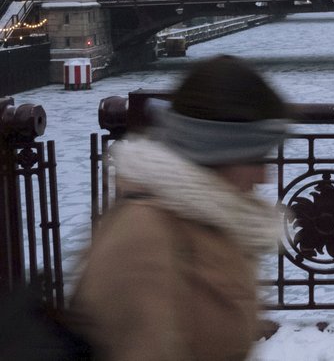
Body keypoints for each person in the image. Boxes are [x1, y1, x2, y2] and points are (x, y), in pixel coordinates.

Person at [70, 55, 289, 361]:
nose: (264, 175)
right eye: (254, 157)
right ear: (213, 151)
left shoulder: (212, 216)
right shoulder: (144, 237)